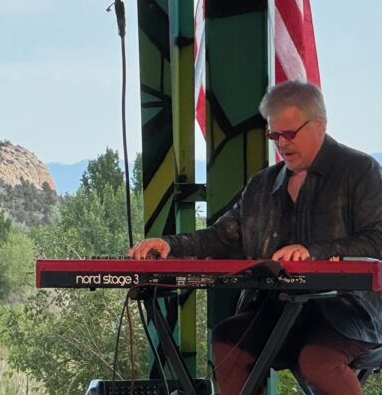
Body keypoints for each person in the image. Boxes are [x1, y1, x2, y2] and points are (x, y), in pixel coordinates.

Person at [128, 81, 382, 394]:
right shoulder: (263, 184)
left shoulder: (360, 170)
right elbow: (223, 236)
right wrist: (171, 245)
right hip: (277, 309)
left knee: (318, 361)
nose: (282, 144)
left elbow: (377, 240)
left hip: (348, 311)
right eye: (274, 135)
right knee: (228, 342)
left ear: (319, 125)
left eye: (290, 134)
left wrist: (313, 252)